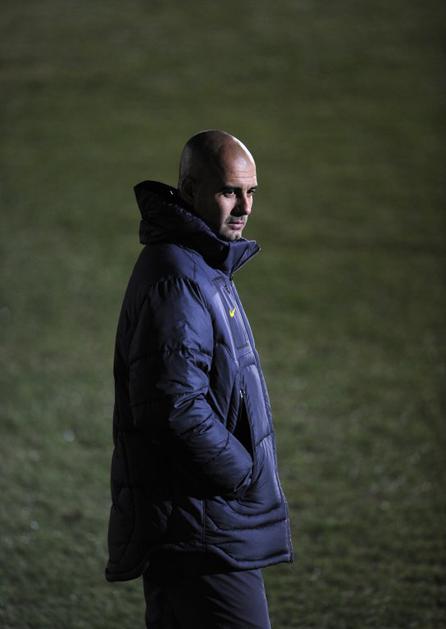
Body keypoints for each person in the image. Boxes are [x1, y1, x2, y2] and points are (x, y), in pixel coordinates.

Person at [105, 130, 293, 628]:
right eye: (230, 191)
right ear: (189, 189)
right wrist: (241, 474)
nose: (244, 207)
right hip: (201, 530)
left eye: (251, 192)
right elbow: (174, 407)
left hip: (204, 523)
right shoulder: (177, 277)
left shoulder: (202, 264)